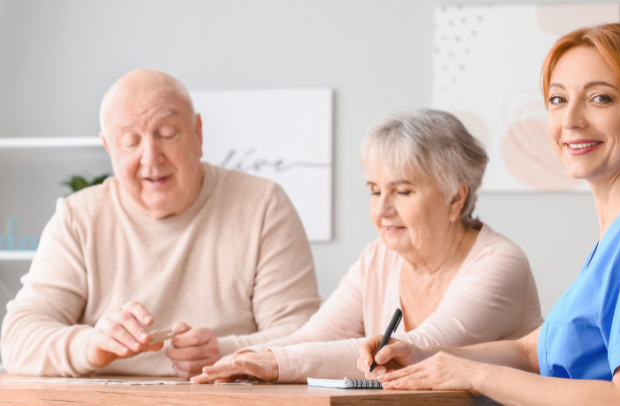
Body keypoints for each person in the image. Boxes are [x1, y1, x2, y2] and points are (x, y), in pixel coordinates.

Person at [358, 23, 620, 406]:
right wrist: (427, 356)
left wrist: (475, 374)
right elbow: (532, 353)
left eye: (600, 98)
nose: (571, 120)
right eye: (558, 99)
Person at [0, 69, 322, 379]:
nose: (151, 157)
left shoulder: (262, 205)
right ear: (108, 147)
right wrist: (91, 346)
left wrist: (226, 353)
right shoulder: (78, 217)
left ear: (198, 133)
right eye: (130, 141)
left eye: (167, 135)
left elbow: (305, 334)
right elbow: (17, 338)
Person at [192, 109, 544, 384]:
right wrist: (233, 358)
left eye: (403, 191)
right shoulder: (378, 256)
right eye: (375, 191)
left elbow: (413, 350)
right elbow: (313, 337)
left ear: (456, 198)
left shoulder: (500, 263)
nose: (382, 209)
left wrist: (275, 362)